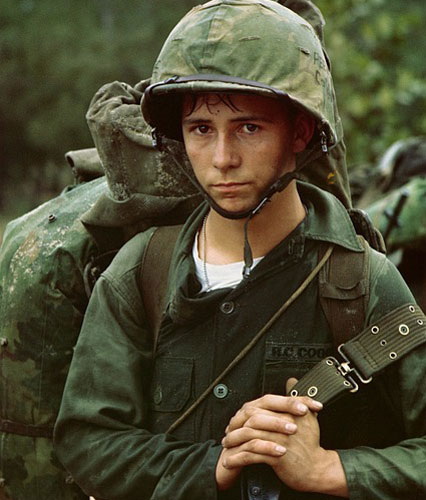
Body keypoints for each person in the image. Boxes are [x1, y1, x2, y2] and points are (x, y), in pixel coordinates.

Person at [54, 1, 426, 499]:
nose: (222, 158)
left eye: (249, 128)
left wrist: (330, 470)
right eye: (201, 130)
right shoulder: (143, 270)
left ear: (300, 131)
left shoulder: (359, 279)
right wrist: (214, 466)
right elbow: (88, 441)